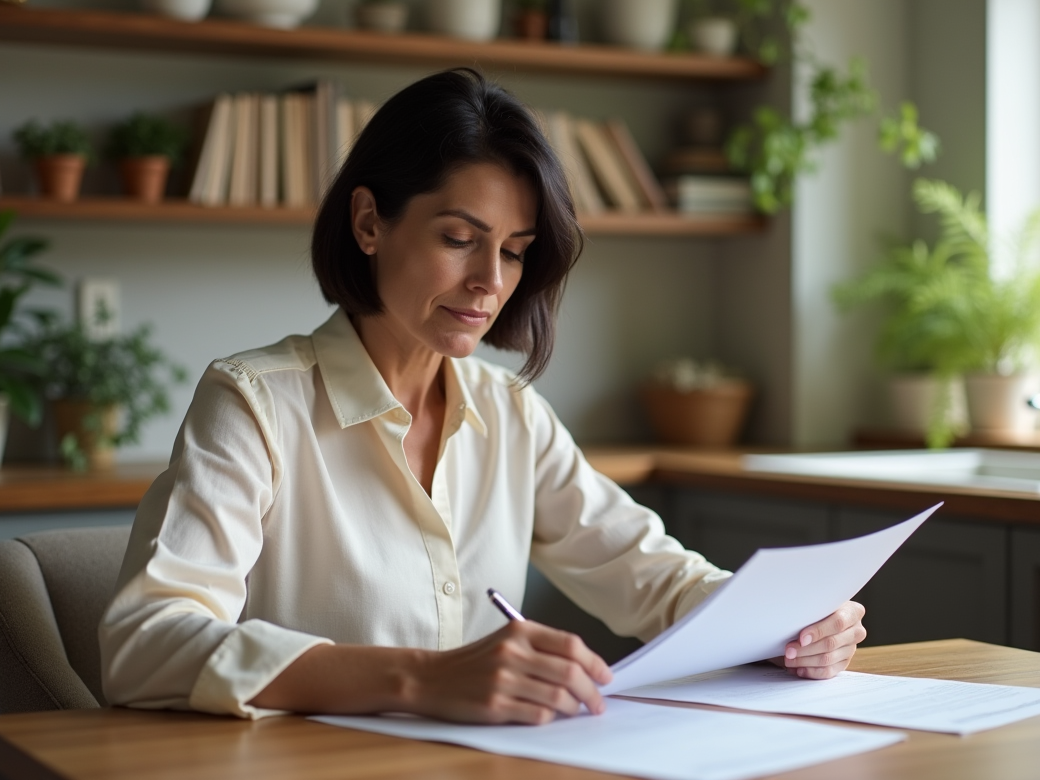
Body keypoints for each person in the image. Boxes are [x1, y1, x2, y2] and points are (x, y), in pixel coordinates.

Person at [99, 68, 866, 725]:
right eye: (459, 239)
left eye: (513, 252)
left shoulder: (509, 415)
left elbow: (652, 574)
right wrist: (421, 679)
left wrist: (787, 627)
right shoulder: (254, 405)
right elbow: (145, 644)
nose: (491, 283)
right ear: (370, 222)